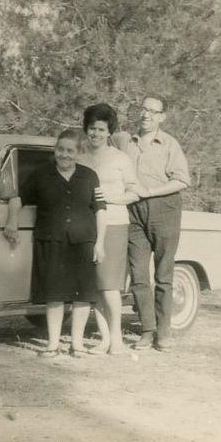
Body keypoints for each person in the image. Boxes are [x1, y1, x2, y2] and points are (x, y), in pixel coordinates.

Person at [3, 128, 107, 357]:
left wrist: (99, 244)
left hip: (83, 243)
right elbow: (18, 199)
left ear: (79, 153)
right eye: (60, 150)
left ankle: (77, 344)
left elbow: (100, 211)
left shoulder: (90, 176)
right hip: (50, 241)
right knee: (54, 294)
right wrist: (12, 221)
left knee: (82, 296)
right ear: (55, 151)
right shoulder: (41, 174)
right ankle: (53, 344)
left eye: (70, 151)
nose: (64, 155)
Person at [113, 95, 190, 351]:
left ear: (162, 117)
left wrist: (151, 192)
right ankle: (147, 330)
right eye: (143, 109)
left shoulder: (169, 144)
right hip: (133, 211)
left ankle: (164, 332)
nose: (146, 115)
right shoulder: (125, 142)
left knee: (164, 274)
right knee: (138, 274)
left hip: (164, 209)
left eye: (153, 112)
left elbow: (182, 181)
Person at [78, 103, 140, 354]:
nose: (96, 134)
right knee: (95, 286)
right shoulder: (79, 156)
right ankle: (104, 339)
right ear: (86, 129)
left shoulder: (120, 158)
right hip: (87, 225)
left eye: (102, 129)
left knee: (110, 285)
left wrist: (111, 198)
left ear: (109, 131)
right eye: (92, 128)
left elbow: (135, 192)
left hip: (114, 223)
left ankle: (117, 339)